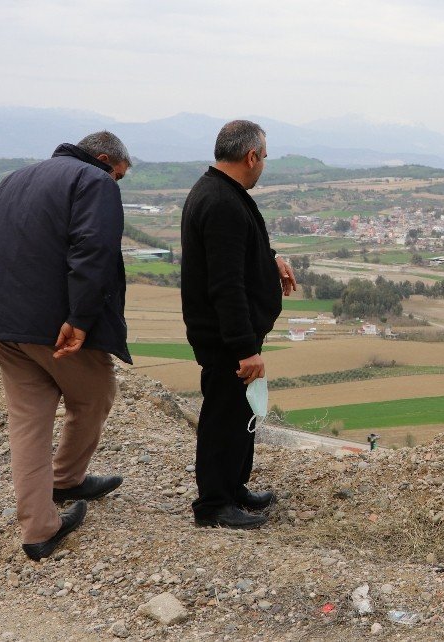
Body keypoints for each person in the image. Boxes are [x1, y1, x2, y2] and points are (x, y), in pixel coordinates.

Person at [0, 132, 132, 561]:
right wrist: (79, 319)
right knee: (95, 397)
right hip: (55, 328)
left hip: (1, 323)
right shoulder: (94, 181)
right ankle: (68, 479)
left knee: (28, 422)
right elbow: (93, 250)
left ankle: (39, 529)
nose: (117, 183)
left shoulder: (14, 179)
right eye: (119, 175)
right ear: (103, 160)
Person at [181, 120, 296, 530]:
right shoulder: (222, 202)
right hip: (226, 338)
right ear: (251, 156)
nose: (263, 164)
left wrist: (271, 261)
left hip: (231, 334)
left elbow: (241, 252)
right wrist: (245, 348)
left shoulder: (220, 192)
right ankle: (214, 503)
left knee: (238, 414)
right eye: (264, 157)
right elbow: (225, 284)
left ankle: (233, 487)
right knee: (222, 417)